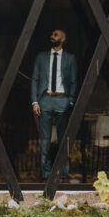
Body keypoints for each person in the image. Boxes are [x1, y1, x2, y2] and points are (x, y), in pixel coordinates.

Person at [31, 28, 78, 180]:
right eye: (51, 34)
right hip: (45, 100)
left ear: (63, 39)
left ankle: (63, 172)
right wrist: (35, 101)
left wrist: (70, 101)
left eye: (56, 35)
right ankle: (45, 173)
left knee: (63, 139)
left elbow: (73, 81)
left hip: (62, 100)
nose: (52, 36)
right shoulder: (41, 57)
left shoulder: (70, 58)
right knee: (45, 139)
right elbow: (35, 80)